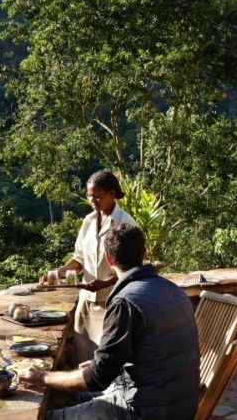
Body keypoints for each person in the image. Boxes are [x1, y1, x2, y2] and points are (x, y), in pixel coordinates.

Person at [22, 223, 200, 420]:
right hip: (182, 407)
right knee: (76, 395)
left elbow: (96, 379)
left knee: (48, 416)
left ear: (109, 258)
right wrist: (106, 364)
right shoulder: (173, 290)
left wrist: (42, 377)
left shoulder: (126, 302)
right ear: (144, 253)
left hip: (144, 411)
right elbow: (155, 353)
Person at [42, 170, 137, 364]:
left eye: (98, 196)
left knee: (106, 360)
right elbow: (79, 259)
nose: (93, 200)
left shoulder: (125, 224)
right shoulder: (88, 221)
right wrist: (58, 272)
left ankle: (106, 395)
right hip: (86, 302)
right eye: (89, 195)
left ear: (112, 194)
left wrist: (104, 283)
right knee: (83, 357)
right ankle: (85, 394)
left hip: (112, 302)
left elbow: (132, 268)